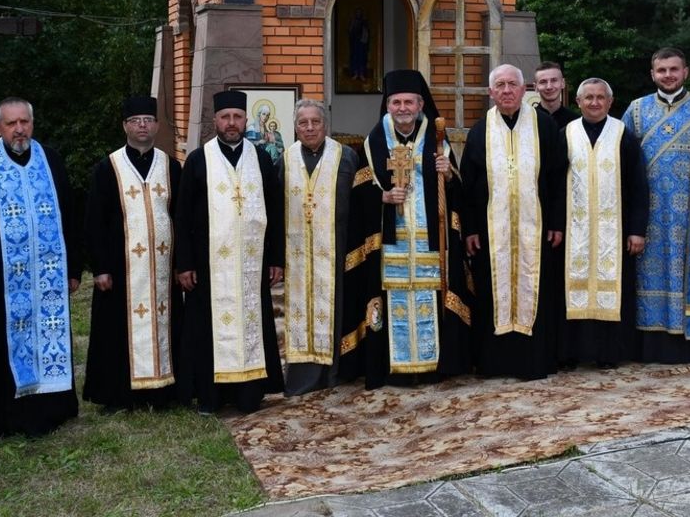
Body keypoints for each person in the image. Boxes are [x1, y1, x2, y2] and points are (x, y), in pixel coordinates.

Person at [0, 97, 82, 437]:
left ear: (32, 123)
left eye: (24, 121)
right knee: (2, 344)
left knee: (50, 336)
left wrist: (74, 268)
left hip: (49, 273)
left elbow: (69, 212)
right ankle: (6, 418)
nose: (19, 129)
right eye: (11, 123)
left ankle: (56, 408)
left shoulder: (50, 159)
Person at [352, 69, 471, 388]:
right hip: (391, 242)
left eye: (409, 102)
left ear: (420, 104)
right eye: (396, 102)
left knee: (431, 294)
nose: (403, 108)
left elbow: (460, 192)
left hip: (430, 241)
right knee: (392, 296)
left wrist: (447, 174)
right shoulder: (375, 140)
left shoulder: (437, 137)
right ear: (387, 105)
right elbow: (361, 192)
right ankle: (392, 367)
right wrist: (383, 196)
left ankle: (435, 365)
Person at [175, 89, 284, 413]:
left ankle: (250, 394)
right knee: (207, 327)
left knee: (252, 323)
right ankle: (211, 396)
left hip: (251, 265)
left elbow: (275, 211)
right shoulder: (198, 159)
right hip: (209, 266)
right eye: (226, 117)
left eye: (237, 116)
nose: (232, 123)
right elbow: (181, 216)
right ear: (215, 121)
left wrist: (276, 258)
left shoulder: (262, 157)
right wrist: (185, 264)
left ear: (246, 120)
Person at [622, 48, 690, 363]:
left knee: (688, 274)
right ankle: (646, 344)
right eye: (661, 70)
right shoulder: (636, 110)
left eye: (673, 69)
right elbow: (624, 161)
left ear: (686, 72)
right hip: (648, 214)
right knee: (645, 274)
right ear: (652, 74)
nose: (667, 75)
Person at [462, 64, 566, 380]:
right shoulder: (480, 130)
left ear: (524, 90)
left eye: (512, 85)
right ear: (491, 92)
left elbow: (558, 177)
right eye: (500, 85)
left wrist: (557, 223)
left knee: (537, 290)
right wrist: (470, 229)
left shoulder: (544, 126)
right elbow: (468, 183)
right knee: (492, 293)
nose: (506, 91)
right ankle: (494, 363)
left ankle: (537, 361)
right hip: (492, 234)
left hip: (537, 231)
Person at [82, 96, 183, 410]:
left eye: (148, 120)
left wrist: (183, 264)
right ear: (125, 125)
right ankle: (119, 395)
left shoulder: (170, 166)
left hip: (164, 269)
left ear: (156, 125)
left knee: (168, 327)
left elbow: (181, 216)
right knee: (116, 330)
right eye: (136, 120)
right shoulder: (108, 167)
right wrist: (100, 267)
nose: (143, 126)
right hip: (120, 269)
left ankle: (165, 391)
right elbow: (94, 221)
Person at [559, 79, 649, 369]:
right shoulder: (566, 135)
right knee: (573, 289)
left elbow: (639, 187)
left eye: (600, 98)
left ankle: (609, 353)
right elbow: (552, 185)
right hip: (574, 232)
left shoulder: (624, 136)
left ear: (610, 102)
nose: (594, 103)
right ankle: (573, 352)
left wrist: (637, 230)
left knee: (613, 289)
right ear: (578, 101)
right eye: (588, 98)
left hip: (616, 231)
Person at [277, 99, 360, 395]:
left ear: (325, 125)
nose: (310, 128)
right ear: (295, 127)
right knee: (299, 312)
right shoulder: (285, 160)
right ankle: (301, 377)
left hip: (337, 248)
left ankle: (334, 373)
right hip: (296, 252)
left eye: (315, 122)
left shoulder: (347, 157)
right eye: (303, 123)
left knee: (336, 308)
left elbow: (361, 202)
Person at [533, 61, 580, 128]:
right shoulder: (527, 121)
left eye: (554, 80)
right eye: (543, 82)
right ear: (535, 87)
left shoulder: (576, 122)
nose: (549, 86)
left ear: (563, 83)